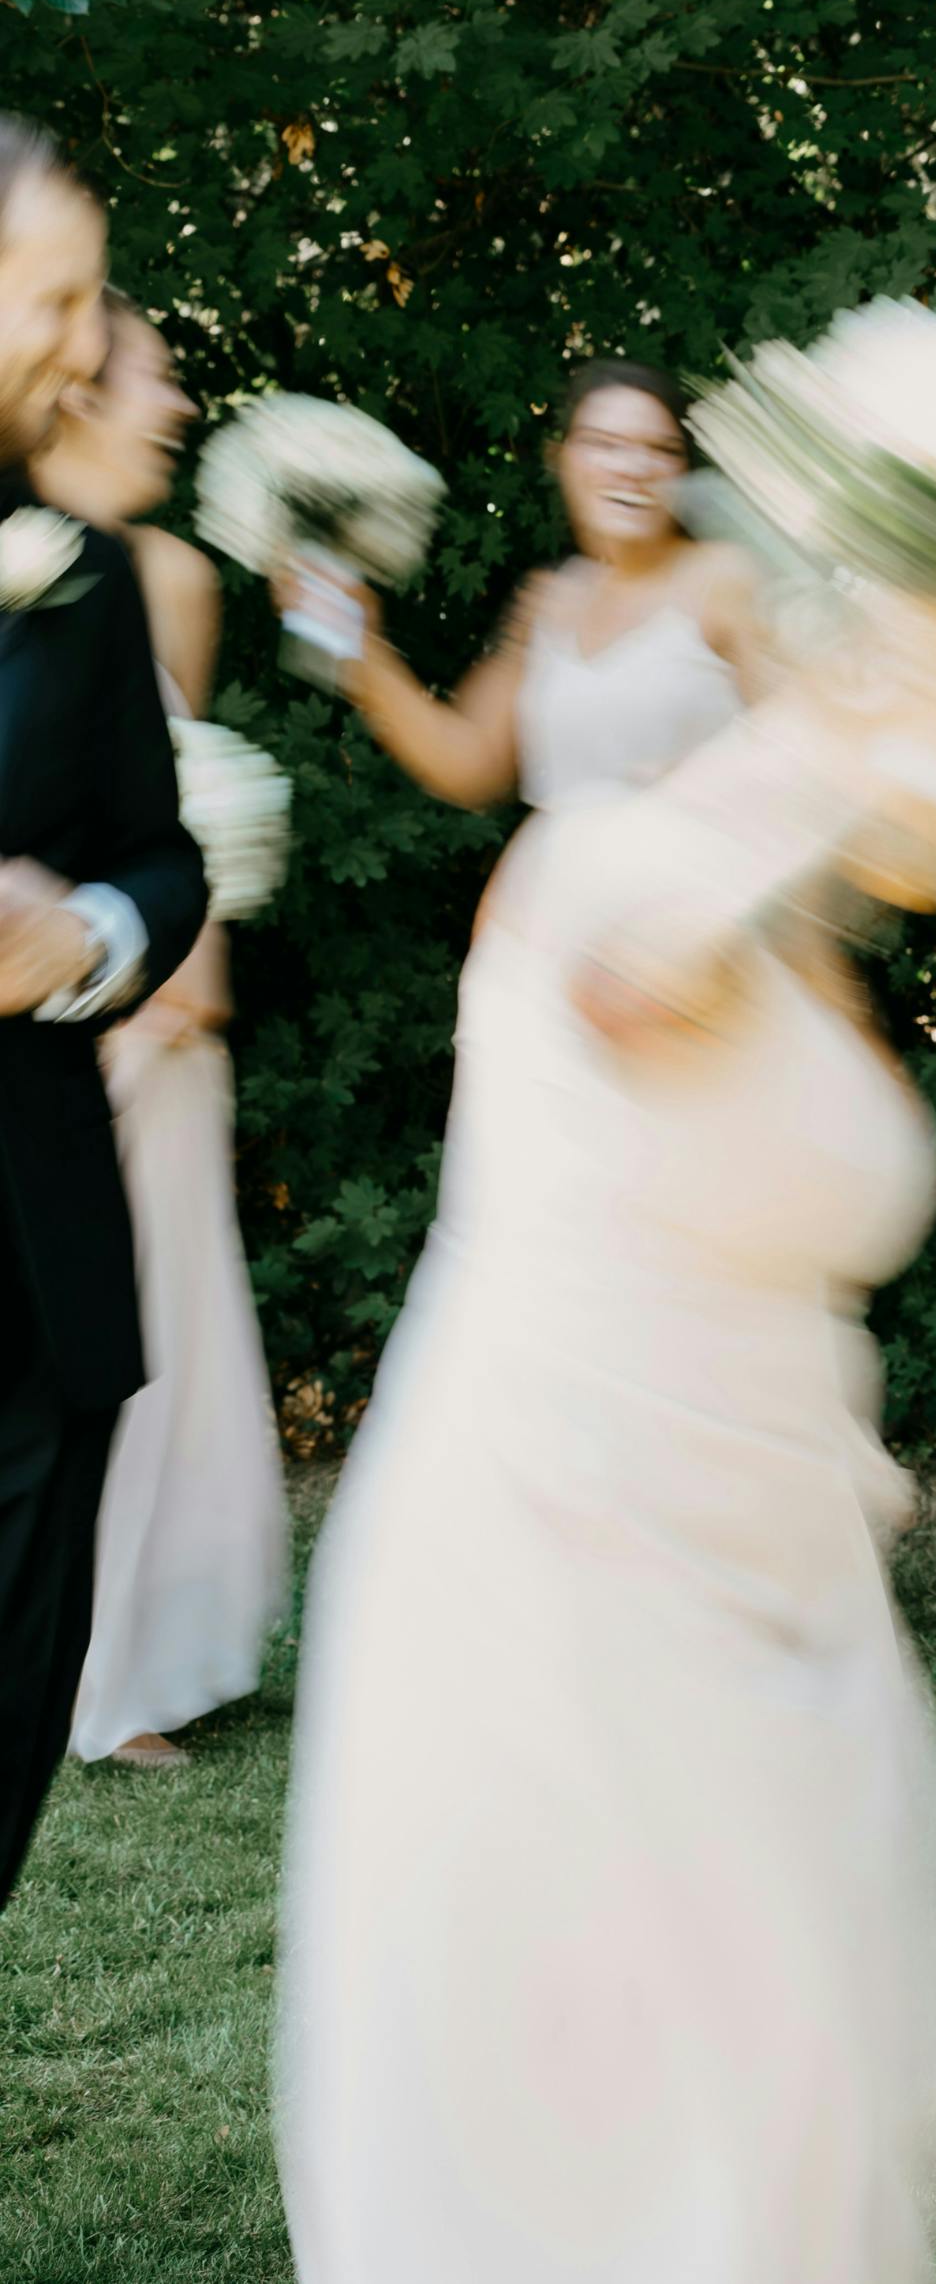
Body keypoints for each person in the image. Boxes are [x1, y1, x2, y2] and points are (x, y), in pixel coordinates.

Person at [270, 546, 936, 2275]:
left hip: (772, 1540)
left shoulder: (806, 926)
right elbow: (628, 984)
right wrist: (829, 772)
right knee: (648, 2079)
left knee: (792, 2067)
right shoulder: (632, 862)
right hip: (583, 1534)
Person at [31, 296, 289, 1770]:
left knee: (166, 1331)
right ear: (74, 389)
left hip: (165, 1013)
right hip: (42, 1013)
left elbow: (172, 804)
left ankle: (128, 1656)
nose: (181, 403)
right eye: (157, 378)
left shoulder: (175, 579)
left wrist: (192, 960)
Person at [0, 119, 208, 1910]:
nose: (86, 342)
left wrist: (83, 932)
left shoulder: (82, 573)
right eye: (54, 297)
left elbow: (165, 858)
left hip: (29, 1269)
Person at [314, 359, 761, 813]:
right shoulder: (550, 598)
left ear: (684, 469)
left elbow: (801, 740)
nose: (634, 467)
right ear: (559, 458)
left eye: (662, 449)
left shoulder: (725, 579)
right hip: (573, 859)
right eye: (604, 444)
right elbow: (469, 767)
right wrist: (358, 647)